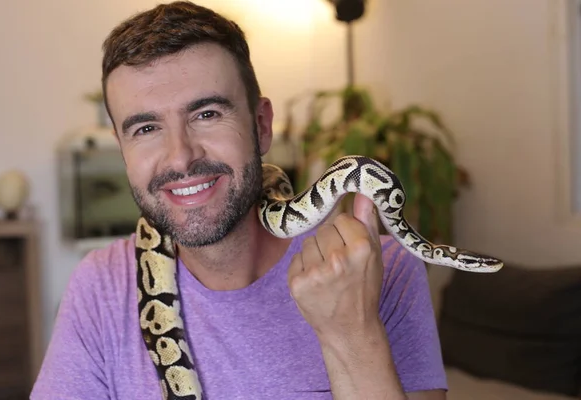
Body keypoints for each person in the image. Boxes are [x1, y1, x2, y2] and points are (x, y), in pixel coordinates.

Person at [31, 1, 448, 399]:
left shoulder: (381, 267)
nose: (180, 156)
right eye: (145, 129)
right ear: (122, 151)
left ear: (262, 126)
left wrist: (352, 333)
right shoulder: (101, 287)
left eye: (207, 114)